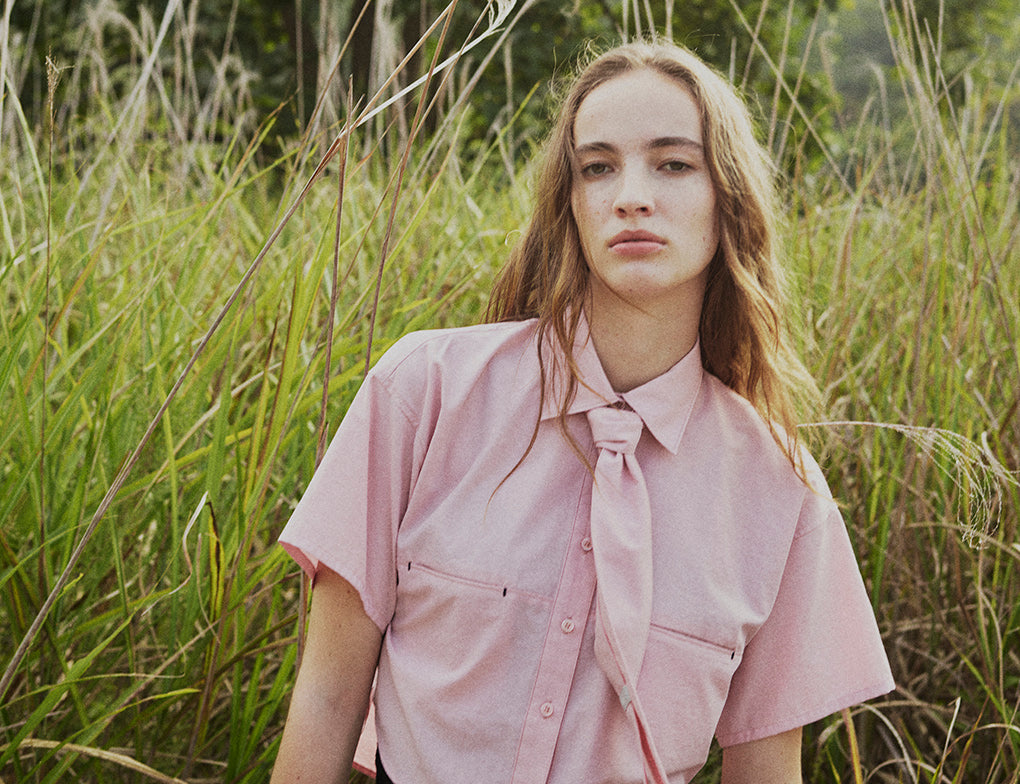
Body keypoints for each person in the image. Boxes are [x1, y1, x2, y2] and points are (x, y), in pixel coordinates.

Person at [270, 40, 894, 784]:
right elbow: (326, 698)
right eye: (598, 167)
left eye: (673, 164)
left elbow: (765, 774)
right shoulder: (423, 393)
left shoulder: (783, 498)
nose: (631, 195)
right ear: (568, 202)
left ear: (728, 198)